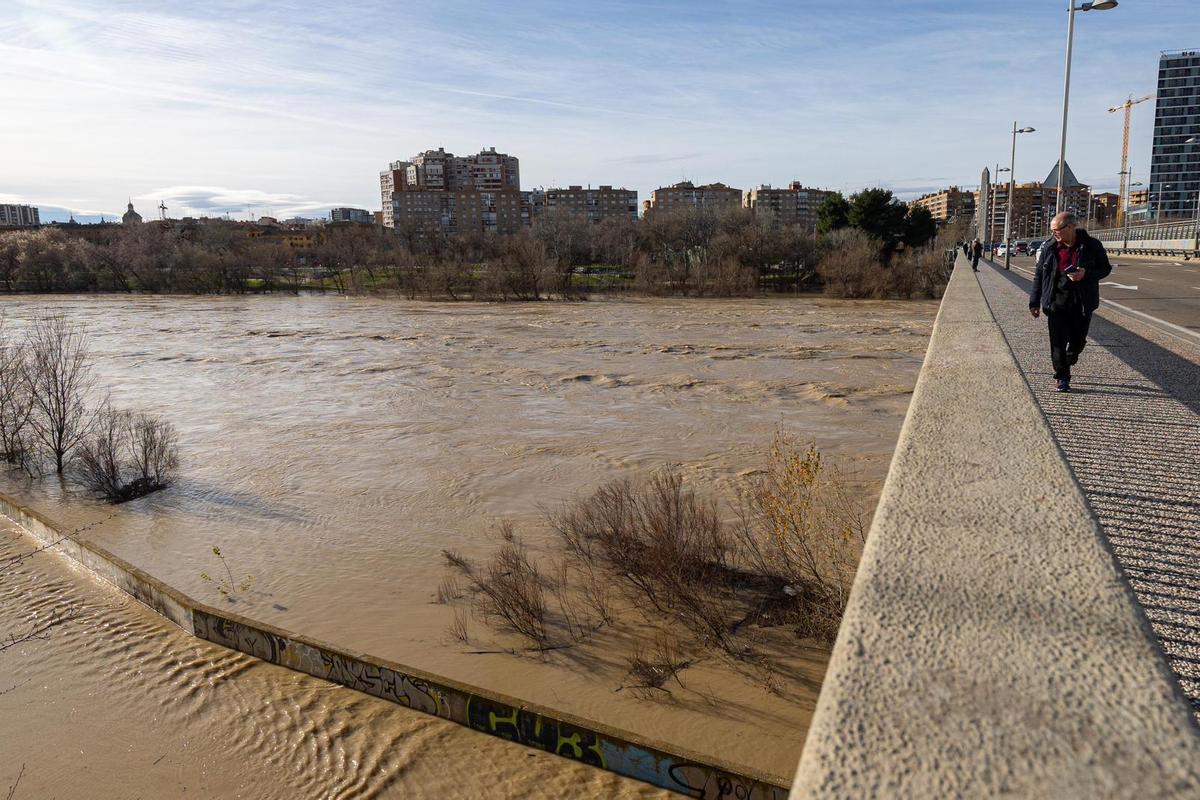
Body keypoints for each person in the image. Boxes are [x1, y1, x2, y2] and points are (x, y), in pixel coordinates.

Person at [1028, 211, 1112, 392]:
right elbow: (1039, 275)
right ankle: (1062, 377)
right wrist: (1034, 302)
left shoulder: (1092, 245)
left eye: (1057, 230)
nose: (1054, 234)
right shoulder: (1049, 247)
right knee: (1057, 343)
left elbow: (1105, 269)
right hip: (1056, 302)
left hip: (1081, 303)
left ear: (1071, 227)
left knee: (1078, 342)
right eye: (1053, 230)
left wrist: (1086, 274)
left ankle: (1069, 358)